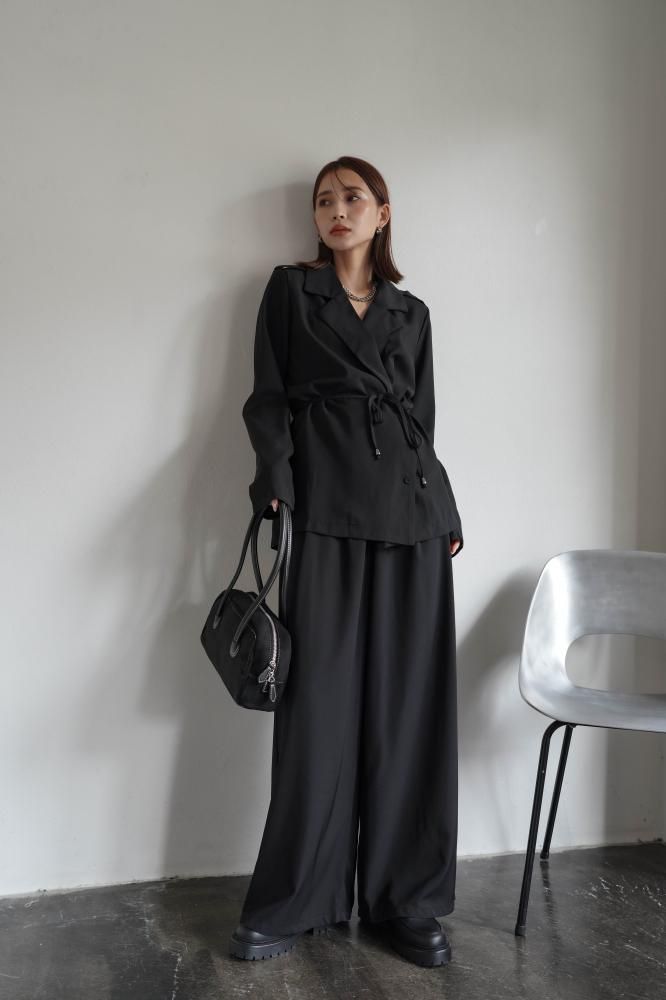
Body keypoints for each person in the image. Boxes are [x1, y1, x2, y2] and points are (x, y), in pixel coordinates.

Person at [229, 155, 463, 968]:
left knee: (408, 709)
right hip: (324, 506)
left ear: (382, 213)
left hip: (413, 514)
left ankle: (408, 900)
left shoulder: (411, 312)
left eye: (353, 197)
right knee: (317, 708)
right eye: (324, 200)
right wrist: (275, 483)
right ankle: (296, 897)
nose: (337, 210)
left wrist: (446, 509)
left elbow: (421, 423)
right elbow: (268, 398)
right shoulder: (292, 292)